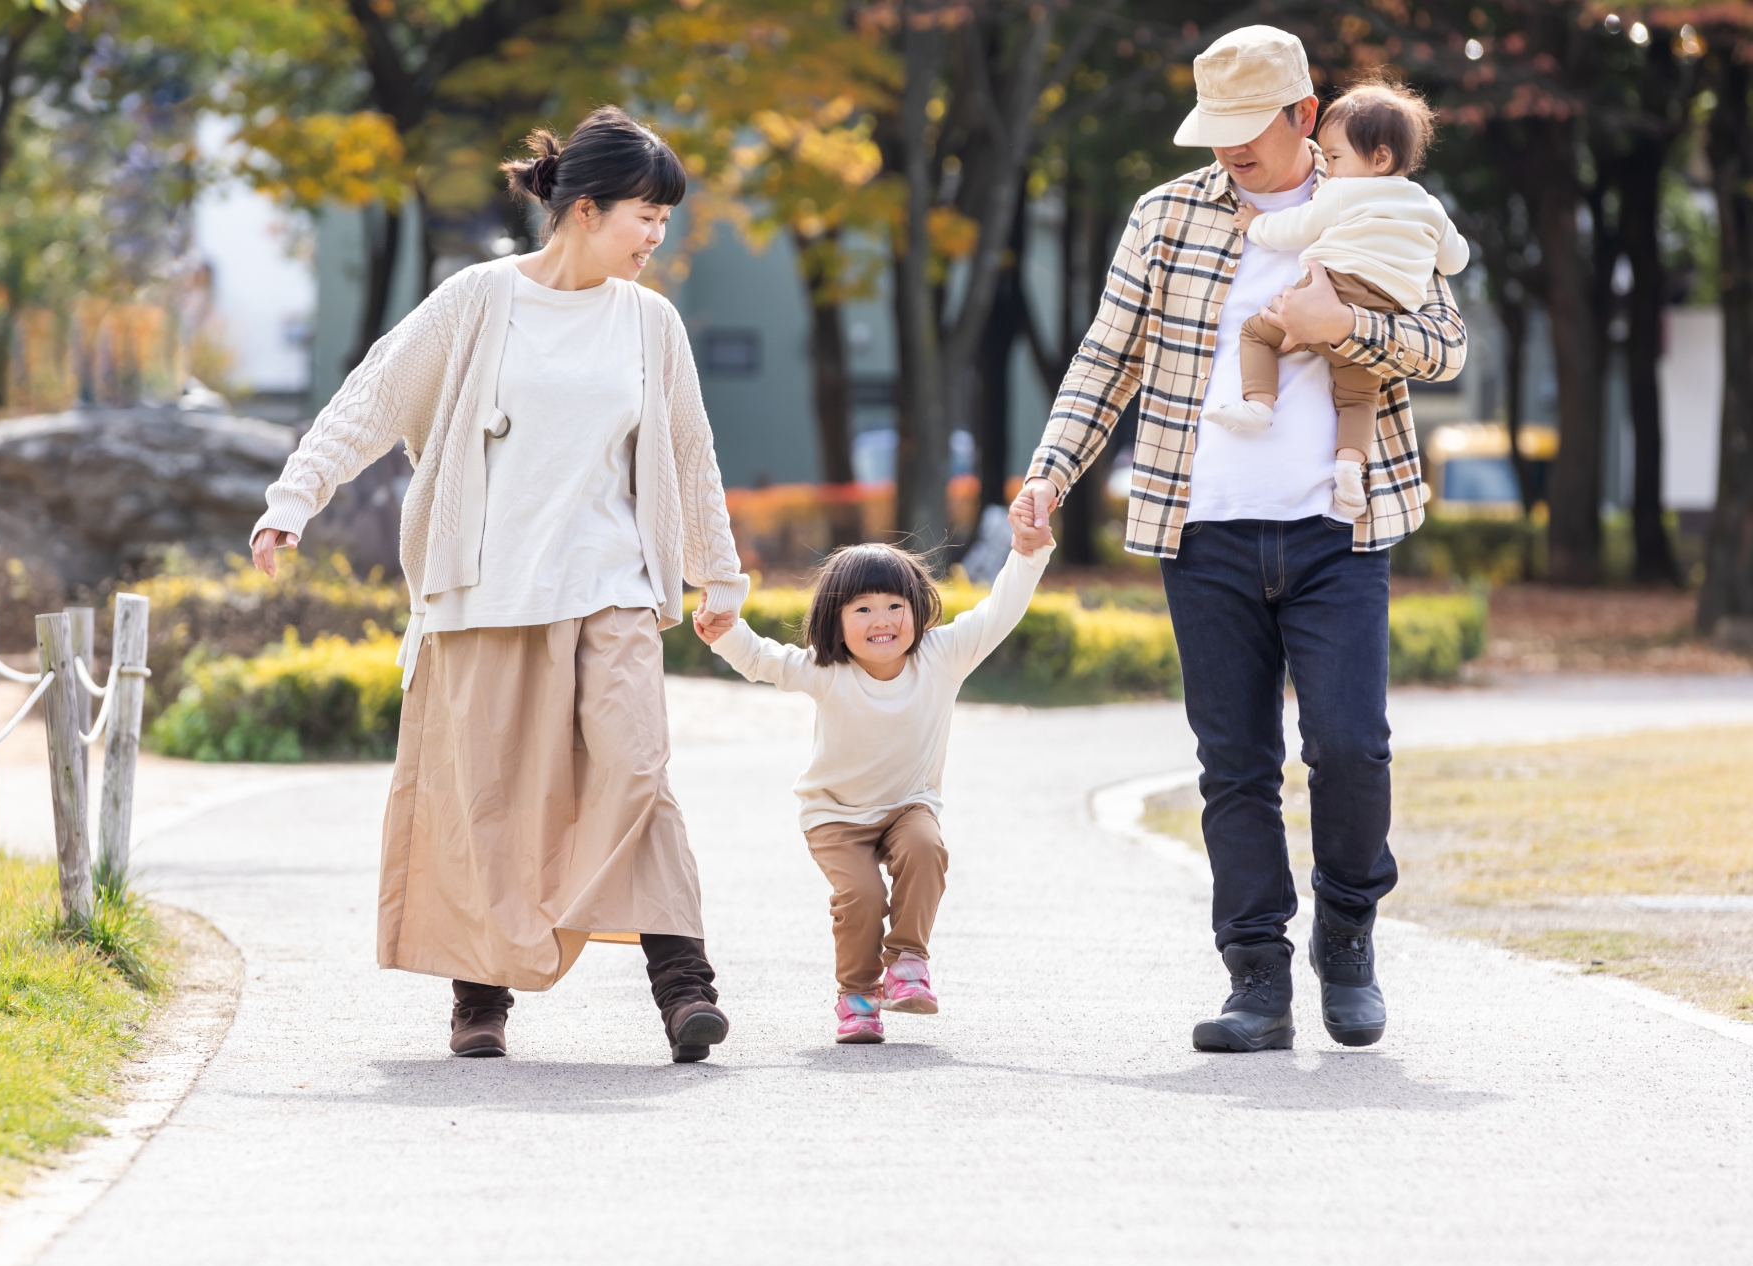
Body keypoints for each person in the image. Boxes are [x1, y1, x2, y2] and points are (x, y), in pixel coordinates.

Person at [249, 106, 751, 1064]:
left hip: (610, 583)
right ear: (584, 209)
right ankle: (478, 998)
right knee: (485, 795)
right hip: (487, 589)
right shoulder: (479, 302)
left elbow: (689, 453)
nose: (657, 235)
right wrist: (293, 498)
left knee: (638, 768)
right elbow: (374, 394)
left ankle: (684, 987)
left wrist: (715, 571)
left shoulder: (651, 323)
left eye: (664, 219)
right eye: (645, 215)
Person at [1014, 26, 1467, 1052]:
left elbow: (1444, 345)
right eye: (1213, 133)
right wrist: (1049, 470)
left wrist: (1338, 330)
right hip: (1203, 530)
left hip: (1338, 529)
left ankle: (1348, 933)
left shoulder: (1382, 204)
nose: (1228, 152)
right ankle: (1256, 976)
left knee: (1351, 746)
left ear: (1306, 117)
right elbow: (1107, 356)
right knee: (1235, 764)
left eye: (1248, 133)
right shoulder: (1166, 216)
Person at [691, 509, 1053, 1044]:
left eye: (893, 605)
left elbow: (1001, 609)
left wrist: (1029, 553)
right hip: (834, 815)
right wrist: (724, 632)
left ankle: (908, 961)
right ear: (835, 622)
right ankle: (857, 998)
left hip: (909, 805)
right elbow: (762, 659)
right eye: (862, 608)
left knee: (927, 848)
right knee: (860, 896)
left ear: (917, 610)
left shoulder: (943, 656)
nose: (881, 619)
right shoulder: (825, 669)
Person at [1206, 77, 1469, 522]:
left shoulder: (1341, 191)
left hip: (1335, 289)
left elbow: (1292, 228)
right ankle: (1350, 470)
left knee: (1256, 332)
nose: (1329, 165)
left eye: (1335, 156)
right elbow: (1457, 259)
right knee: (1358, 400)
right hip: (1381, 315)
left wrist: (1252, 224)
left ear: (1379, 157)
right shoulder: (1429, 206)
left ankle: (1258, 404)